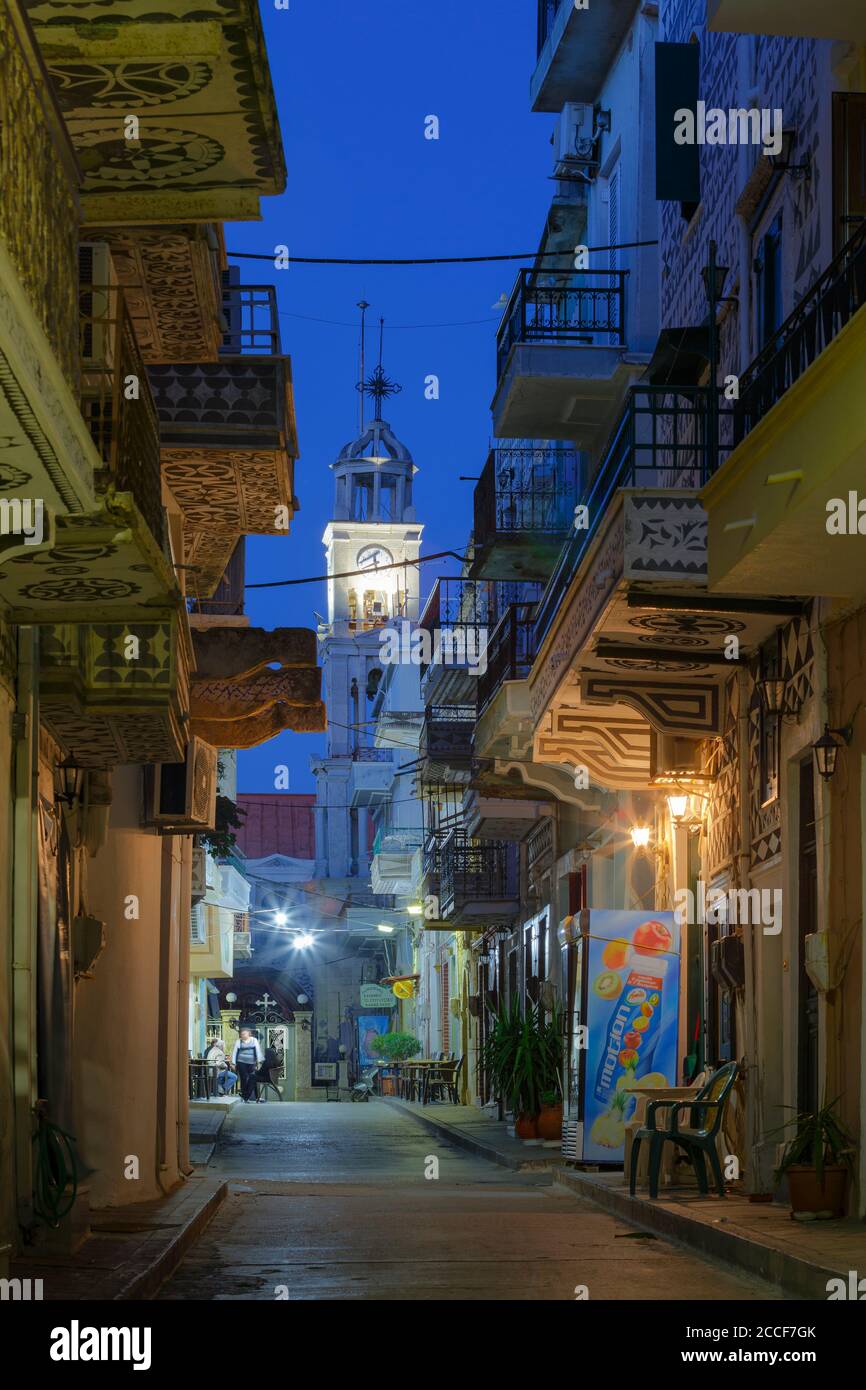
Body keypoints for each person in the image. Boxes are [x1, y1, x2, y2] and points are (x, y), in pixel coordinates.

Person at [231, 1028, 264, 1102]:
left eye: (244, 1034)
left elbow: (258, 1050)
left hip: (252, 1062)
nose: (242, 1035)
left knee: (251, 1079)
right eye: (241, 1034)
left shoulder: (254, 1040)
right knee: (243, 1079)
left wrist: (259, 1062)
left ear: (249, 1034)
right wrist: (233, 1063)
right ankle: (245, 1096)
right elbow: (235, 1052)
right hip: (241, 1062)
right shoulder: (238, 1041)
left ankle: (248, 1096)